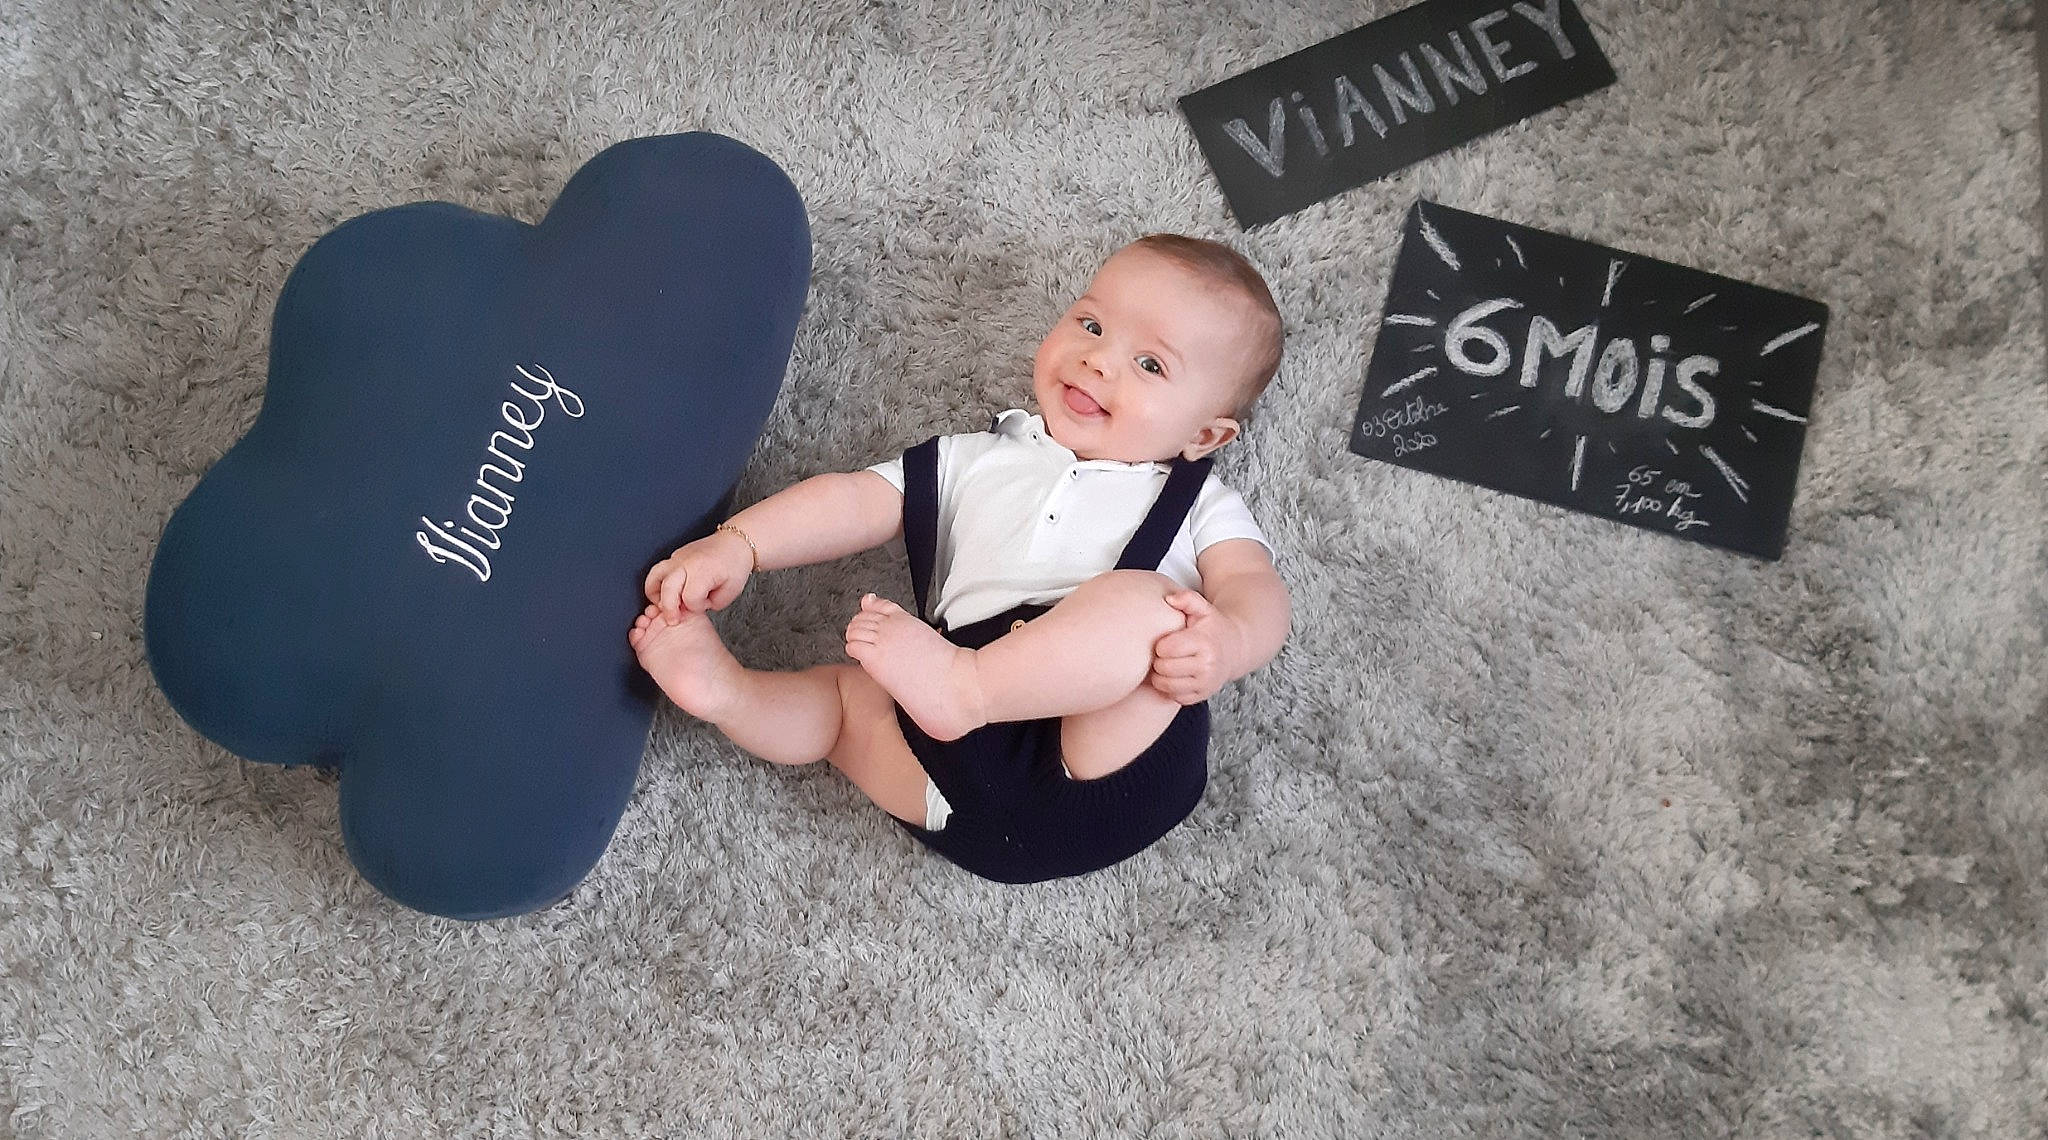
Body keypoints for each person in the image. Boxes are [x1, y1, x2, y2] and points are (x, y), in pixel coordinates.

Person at [628, 234, 1291, 882]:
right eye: (1090, 324)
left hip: (1102, 763)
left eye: (1150, 364)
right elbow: (854, 500)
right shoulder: (980, 460)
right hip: (957, 792)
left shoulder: (1197, 499)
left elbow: (1254, 588)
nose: (1098, 361)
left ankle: (968, 687)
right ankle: (728, 694)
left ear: (1205, 434)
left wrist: (1225, 641)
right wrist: (739, 545)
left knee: (1156, 613)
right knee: (842, 709)